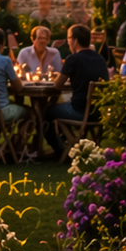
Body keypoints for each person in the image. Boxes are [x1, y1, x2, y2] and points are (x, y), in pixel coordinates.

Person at [46, 25, 108, 155]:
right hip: (98, 112)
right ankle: (71, 143)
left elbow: (58, 86)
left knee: (45, 112)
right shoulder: (99, 59)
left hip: (79, 111)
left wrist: (58, 76)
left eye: (69, 38)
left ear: (75, 40)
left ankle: (59, 149)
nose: (68, 41)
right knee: (59, 107)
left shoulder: (73, 59)